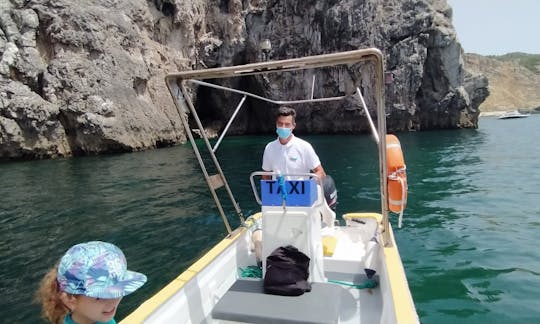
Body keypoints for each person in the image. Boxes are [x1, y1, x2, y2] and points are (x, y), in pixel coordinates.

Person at [36, 241, 147, 324]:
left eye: (118, 291)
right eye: (99, 297)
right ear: (70, 300)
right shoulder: (102, 316)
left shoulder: (99, 316)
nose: (113, 301)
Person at [262, 106, 326, 181]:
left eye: (287, 124)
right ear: (276, 124)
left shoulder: (304, 147)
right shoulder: (269, 148)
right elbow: (265, 175)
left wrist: (309, 185)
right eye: (280, 124)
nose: (283, 127)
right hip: (277, 192)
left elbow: (320, 172)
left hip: (301, 191)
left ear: (293, 126)